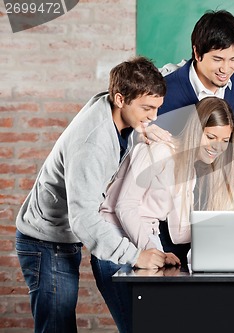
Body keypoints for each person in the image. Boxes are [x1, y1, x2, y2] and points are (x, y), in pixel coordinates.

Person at [15, 56, 179, 333]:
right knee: (57, 328)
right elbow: (84, 219)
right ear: (120, 98)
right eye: (147, 109)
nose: (153, 116)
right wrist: (136, 255)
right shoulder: (91, 143)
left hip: (64, 235)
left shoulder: (116, 111)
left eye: (156, 108)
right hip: (45, 241)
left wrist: (144, 130)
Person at [94, 97, 234, 332]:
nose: (217, 147)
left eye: (224, 140)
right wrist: (151, 252)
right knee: (135, 326)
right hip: (115, 243)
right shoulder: (160, 149)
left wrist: (224, 232)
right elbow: (125, 205)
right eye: (210, 137)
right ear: (195, 130)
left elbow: (178, 231)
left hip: (145, 241)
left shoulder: (189, 169)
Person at [157, 9, 234, 146]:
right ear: (197, 53)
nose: (226, 69)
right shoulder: (163, 91)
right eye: (218, 59)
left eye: (233, 59)